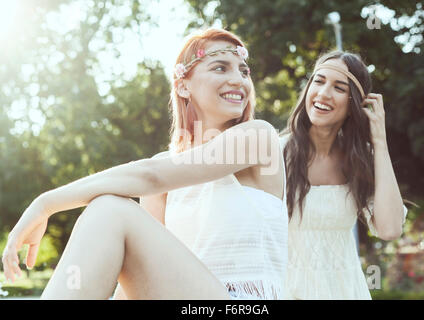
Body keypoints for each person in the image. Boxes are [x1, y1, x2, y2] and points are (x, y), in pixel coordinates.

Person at [1, 28, 288, 300]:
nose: (239, 79)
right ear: (183, 86)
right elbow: (136, 277)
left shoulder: (258, 137)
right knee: (109, 207)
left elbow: (151, 176)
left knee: (112, 209)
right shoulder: (163, 170)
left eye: (244, 71)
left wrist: (45, 204)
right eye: (220, 67)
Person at [280, 50, 408, 299]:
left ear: (354, 105)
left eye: (339, 88)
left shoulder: (361, 159)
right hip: (287, 290)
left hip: (347, 291)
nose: (323, 93)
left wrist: (379, 143)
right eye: (318, 81)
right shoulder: (276, 152)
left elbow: (390, 229)